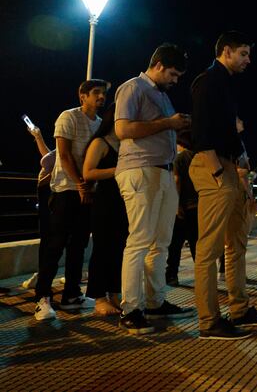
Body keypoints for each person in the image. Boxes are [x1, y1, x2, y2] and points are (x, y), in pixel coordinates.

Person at [189, 31, 257, 340]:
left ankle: (240, 309)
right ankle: (208, 321)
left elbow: (229, 133)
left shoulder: (226, 85)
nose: (248, 60)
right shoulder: (208, 82)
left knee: (236, 244)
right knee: (209, 249)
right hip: (215, 168)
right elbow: (200, 133)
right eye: (243, 53)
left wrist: (242, 170)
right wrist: (216, 173)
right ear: (225, 51)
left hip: (232, 169)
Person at [114, 43, 194, 334]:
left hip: (163, 170)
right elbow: (122, 130)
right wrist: (167, 123)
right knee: (139, 241)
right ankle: (131, 309)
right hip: (140, 169)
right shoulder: (133, 88)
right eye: (173, 73)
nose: (175, 80)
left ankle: (155, 301)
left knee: (161, 241)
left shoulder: (161, 95)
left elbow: (163, 126)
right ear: (158, 65)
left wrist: (179, 124)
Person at [33, 79, 108, 321]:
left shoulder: (100, 124)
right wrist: (80, 185)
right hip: (66, 189)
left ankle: (71, 295)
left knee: (79, 246)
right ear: (82, 96)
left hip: (86, 192)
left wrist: (89, 188)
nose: (101, 97)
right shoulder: (68, 117)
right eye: (96, 93)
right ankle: (42, 299)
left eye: (103, 94)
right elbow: (63, 156)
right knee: (55, 245)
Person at [82, 103, 127, 316]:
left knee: (119, 250)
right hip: (104, 202)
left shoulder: (125, 145)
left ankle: (115, 294)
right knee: (102, 250)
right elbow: (88, 172)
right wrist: (117, 170)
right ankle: (99, 299)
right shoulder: (100, 142)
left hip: (122, 202)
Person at [21, 125, 55, 290]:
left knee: (49, 238)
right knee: (51, 238)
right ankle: (43, 275)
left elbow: (48, 160)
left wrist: (38, 137)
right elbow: (49, 158)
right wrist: (38, 136)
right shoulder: (67, 147)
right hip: (48, 190)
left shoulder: (67, 147)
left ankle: (43, 276)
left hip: (49, 190)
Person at [165, 130, 198, 287]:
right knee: (196, 244)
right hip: (198, 206)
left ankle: (172, 276)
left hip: (183, 207)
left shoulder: (179, 158)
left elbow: (177, 181)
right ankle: (203, 276)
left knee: (175, 245)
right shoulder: (197, 156)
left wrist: (176, 205)